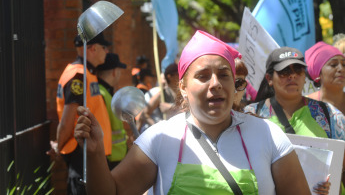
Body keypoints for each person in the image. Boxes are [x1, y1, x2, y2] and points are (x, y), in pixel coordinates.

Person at [74, 30, 310, 194]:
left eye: (223, 75)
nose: (215, 83)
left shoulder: (268, 134)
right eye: (203, 76)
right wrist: (94, 153)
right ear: (183, 87)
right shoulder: (159, 138)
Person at [244, 46, 345, 194]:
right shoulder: (251, 115)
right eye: (284, 72)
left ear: (304, 76)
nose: (292, 76)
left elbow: (340, 168)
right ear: (269, 79)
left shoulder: (330, 115)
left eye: (298, 70)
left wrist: (332, 184)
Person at [56, 33, 112, 195]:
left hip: (89, 152)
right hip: (82, 153)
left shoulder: (86, 73)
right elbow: (67, 121)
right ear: (92, 48)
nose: (107, 52)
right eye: (104, 47)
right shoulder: (78, 76)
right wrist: (59, 148)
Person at [97, 53, 128, 169]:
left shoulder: (104, 92)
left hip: (114, 157)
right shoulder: (101, 94)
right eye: (119, 71)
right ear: (115, 71)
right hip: (108, 160)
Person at [305, 41, 345, 114]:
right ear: (318, 74)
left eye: (344, 64)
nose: (341, 69)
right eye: (333, 65)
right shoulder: (305, 106)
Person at [138, 63, 180, 133]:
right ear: (170, 76)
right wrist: (157, 128)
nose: (180, 76)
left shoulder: (182, 94)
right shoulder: (161, 95)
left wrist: (171, 107)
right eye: (178, 74)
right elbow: (144, 114)